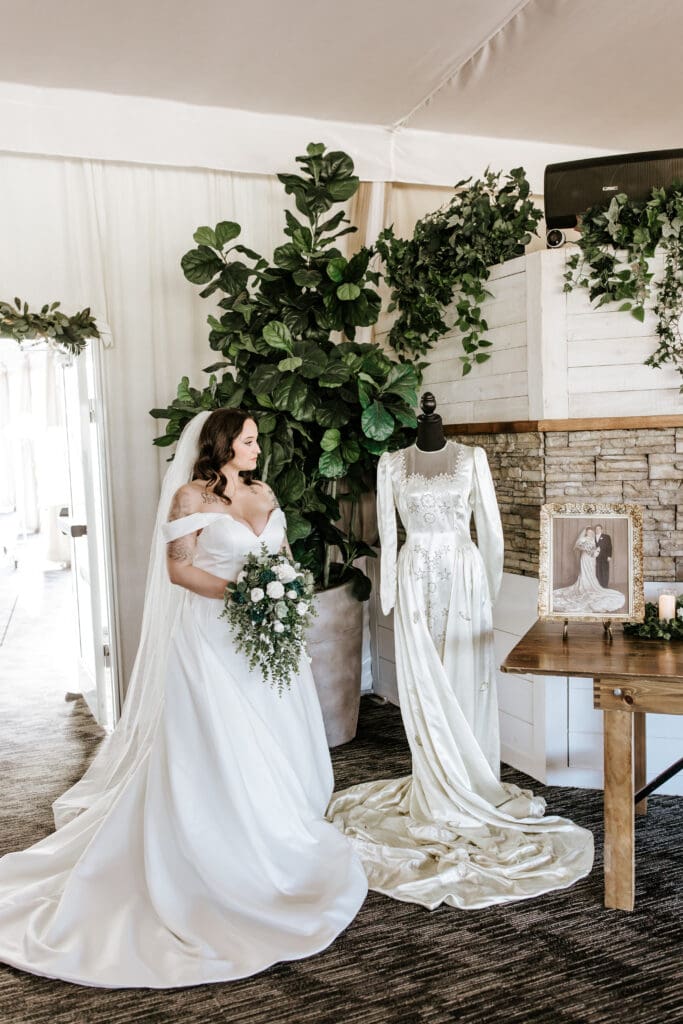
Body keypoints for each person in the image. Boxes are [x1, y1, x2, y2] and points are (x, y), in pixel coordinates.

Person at [0, 408, 367, 988]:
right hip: (212, 639)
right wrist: (247, 594)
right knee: (216, 741)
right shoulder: (192, 499)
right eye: (247, 441)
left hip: (266, 637)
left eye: (256, 441)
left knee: (270, 734)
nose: (256, 449)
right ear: (222, 444)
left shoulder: (265, 490)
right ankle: (212, 845)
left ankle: (275, 827)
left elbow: (286, 560)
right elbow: (179, 570)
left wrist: (287, 596)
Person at [552, 526, 624, 614]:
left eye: (591, 532)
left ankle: (592, 584)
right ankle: (584, 585)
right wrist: (585, 548)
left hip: (592, 559)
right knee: (584, 573)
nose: (590, 533)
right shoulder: (583, 539)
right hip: (585, 558)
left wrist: (596, 552)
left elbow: (595, 550)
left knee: (592, 573)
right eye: (588, 532)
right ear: (586, 533)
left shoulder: (593, 540)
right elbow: (578, 546)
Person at [594, 524, 612, 588]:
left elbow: (609, 547)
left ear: (602, 529)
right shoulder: (592, 537)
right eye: (596, 529)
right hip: (595, 557)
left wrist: (609, 556)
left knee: (605, 571)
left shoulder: (607, 537)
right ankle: (598, 585)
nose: (597, 530)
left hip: (605, 557)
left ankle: (605, 585)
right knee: (597, 571)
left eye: (599, 529)